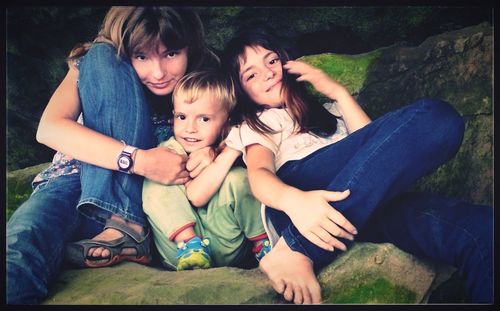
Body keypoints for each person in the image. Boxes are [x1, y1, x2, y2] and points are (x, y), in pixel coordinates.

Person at [221, 26, 493, 304]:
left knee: (484, 229)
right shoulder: (259, 123)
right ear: (242, 92)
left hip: (365, 206)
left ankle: (300, 247)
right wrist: (295, 202)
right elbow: (259, 175)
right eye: (251, 74)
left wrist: (338, 92)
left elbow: (382, 155)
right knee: (435, 116)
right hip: (300, 197)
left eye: (272, 60)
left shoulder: (331, 114)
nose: (267, 72)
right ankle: (296, 245)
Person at [7, 7, 218, 304]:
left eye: (171, 54)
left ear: (189, 48)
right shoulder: (97, 63)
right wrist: (140, 160)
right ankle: (123, 223)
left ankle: (126, 225)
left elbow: (239, 123)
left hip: (148, 197)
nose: (158, 73)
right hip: (72, 181)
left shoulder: (207, 74)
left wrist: (214, 151)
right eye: (141, 56)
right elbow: (49, 129)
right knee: (19, 246)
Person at [142, 70, 271, 271]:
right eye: (182, 117)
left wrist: (224, 153)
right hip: (178, 248)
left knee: (239, 178)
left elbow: (199, 195)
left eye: (204, 119)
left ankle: (264, 243)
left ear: (226, 124)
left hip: (227, 241)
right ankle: (191, 245)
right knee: (155, 177)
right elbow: (193, 196)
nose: (190, 128)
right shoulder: (169, 151)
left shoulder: (233, 144)